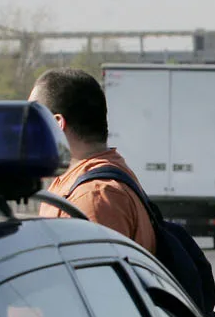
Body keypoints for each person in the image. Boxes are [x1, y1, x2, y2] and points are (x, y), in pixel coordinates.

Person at [29, 69, 157, 254]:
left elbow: (92, 279)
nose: (26, 129)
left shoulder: (93, 197)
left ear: (57, 123)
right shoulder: (83, 181)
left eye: (33, 117)